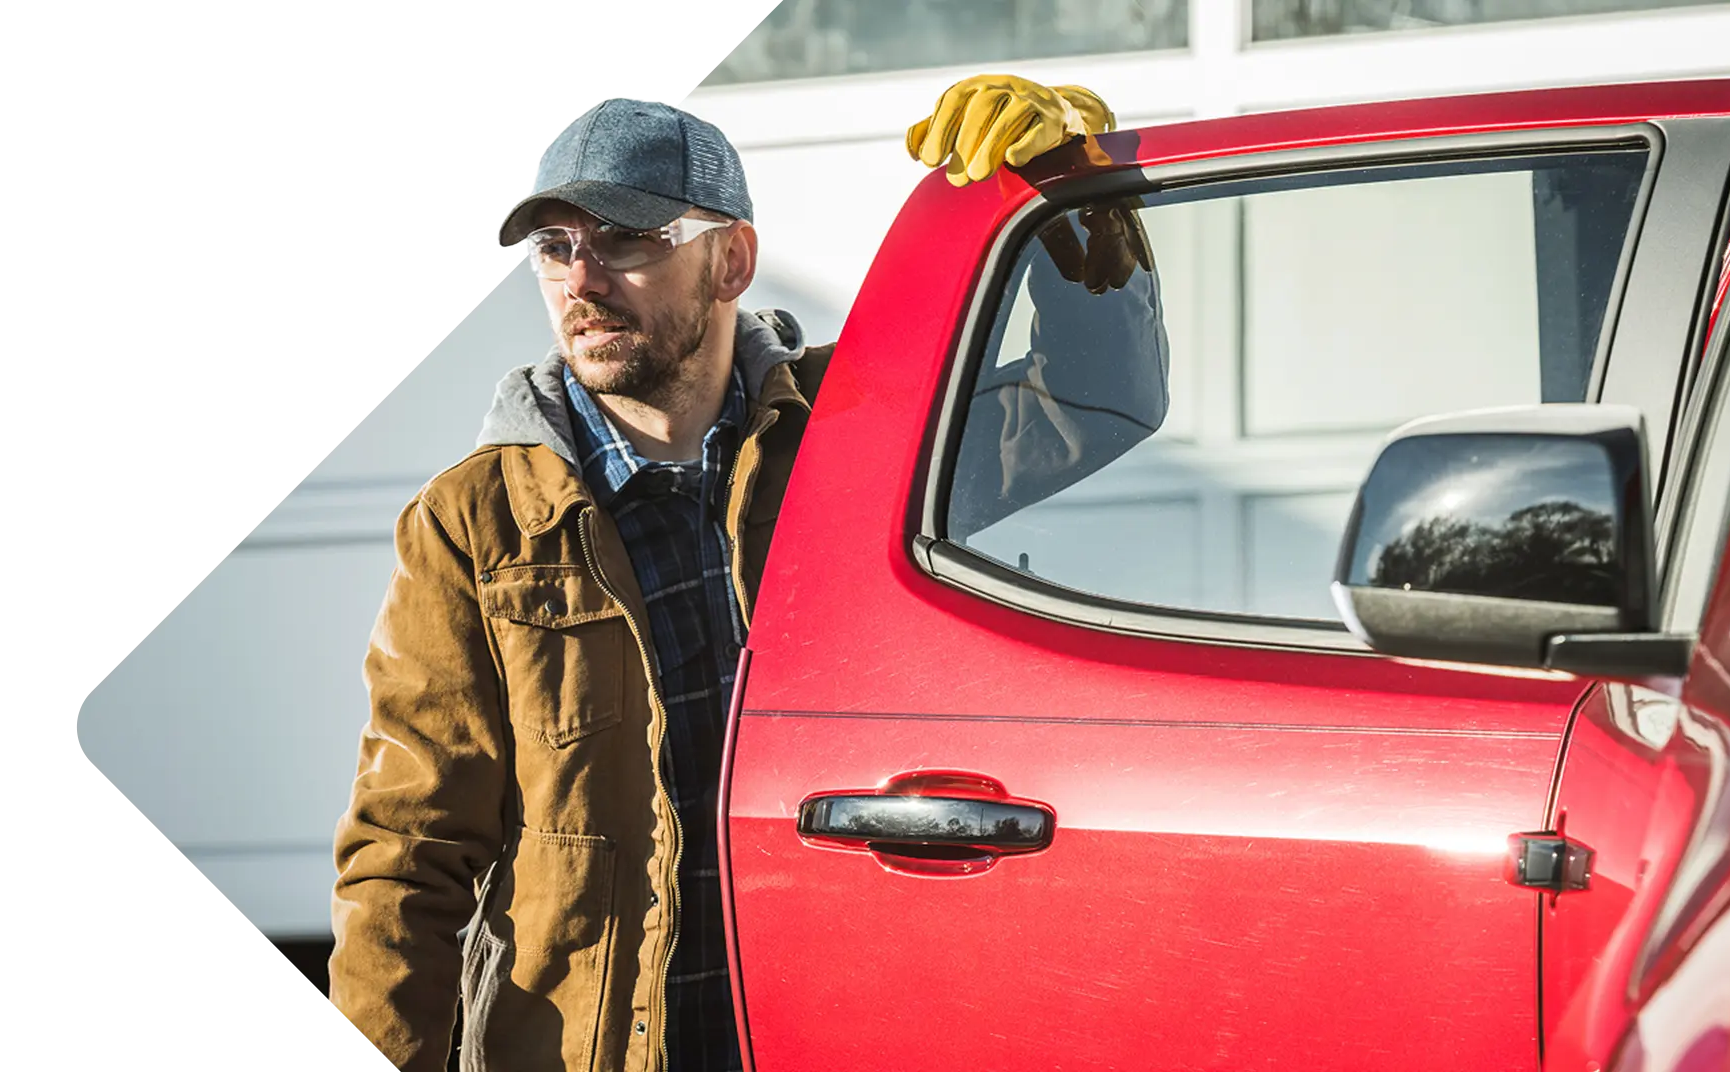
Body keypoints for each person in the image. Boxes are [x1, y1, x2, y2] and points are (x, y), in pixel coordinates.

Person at [328, 75, 1166, 1072]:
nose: (581, 282)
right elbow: (405, 860)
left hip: (831, 1021)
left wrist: (1074, 193)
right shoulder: (474, 524)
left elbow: (1101, 395)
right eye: (554, 248)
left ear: (732, 258)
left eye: (627, 241)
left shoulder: (858, 437)